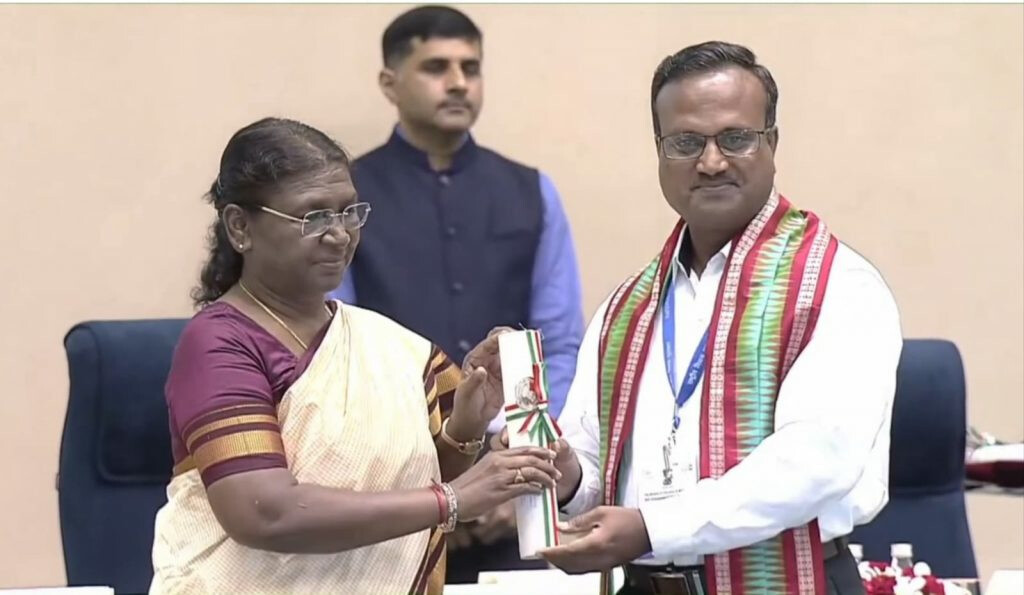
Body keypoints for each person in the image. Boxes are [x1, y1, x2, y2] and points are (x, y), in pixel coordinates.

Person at [526, 42, 903, 595]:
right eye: (685, 143)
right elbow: (597, 469)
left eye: (736, 138)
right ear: (659, 151)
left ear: (772, 143)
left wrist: (653, 527)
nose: (710, 162)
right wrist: (563, 472)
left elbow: (815, 463)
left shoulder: (835, 285)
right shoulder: (628, 307)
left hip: (790, 583)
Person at [149, 117, 561, 594]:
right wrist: (450, 501)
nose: (340, 234)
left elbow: (412, 485)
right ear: (241, 227)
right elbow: (264, 513)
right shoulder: (220, 344)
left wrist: (466, 426)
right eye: (314, 218)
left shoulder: (390, 345)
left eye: (349, 212)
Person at [329, 5, 585, 582]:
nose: (458, 82)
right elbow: (336, 350)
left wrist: (516, 468)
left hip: (514, 491)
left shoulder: (531, 191)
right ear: (389, 83)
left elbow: (559, 343)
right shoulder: (347, 198)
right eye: (436, 67)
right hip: (391, 490)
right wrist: (438, 479)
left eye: (471, 67)